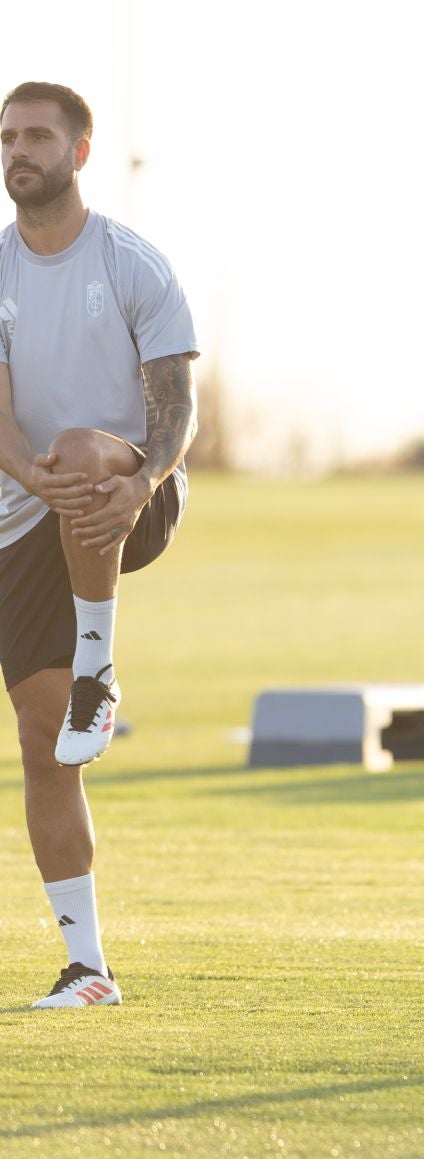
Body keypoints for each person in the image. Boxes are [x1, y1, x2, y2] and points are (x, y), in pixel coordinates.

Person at [0, 82, 197, 1008]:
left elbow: (177, 406)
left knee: (81, 450)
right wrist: (30, 478)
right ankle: (88, 970)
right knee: (47, 748)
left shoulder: (131, 263)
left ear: (79, 152)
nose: (18, 151)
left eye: (37, 136)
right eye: (8, 137)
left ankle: (98, 666)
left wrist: (143, 479)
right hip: (25, 515)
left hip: (131, 488)